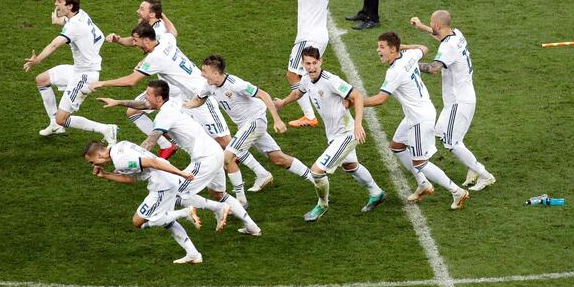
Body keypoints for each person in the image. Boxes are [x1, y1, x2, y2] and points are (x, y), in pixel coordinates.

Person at [89, 24, 272, 194]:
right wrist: (121, 40)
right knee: (134, 111)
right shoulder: (166, 40)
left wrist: (102, 83)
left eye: (136, 41)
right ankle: (168, 144)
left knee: (224, 142)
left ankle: (260, 172)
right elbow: (172, 31)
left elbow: (131, 81)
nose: (134, 44)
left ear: (146, 40)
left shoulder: (155, 58)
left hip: (200, 96)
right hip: (179, 96)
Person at [98, 80, 262, 236]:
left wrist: (129, 158)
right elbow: (144, 105)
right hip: (215, 151)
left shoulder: (164, 116)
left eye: (148, 93)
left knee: (175, 193)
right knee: (219, 193)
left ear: (159, 98)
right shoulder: (171, 103)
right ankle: (252, 226)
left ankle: (218, 209)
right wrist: (117, 102)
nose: (144, 97)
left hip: (204, 158)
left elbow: (150, 141)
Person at [187, 54, 318, 209]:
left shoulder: (236, 84)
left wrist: (277, 119)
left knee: (227, 157)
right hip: (245, 125)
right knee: (278, 158)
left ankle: (241, 201)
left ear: (216, 73)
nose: (202, 74)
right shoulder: (209, 85)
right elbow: (199, 99)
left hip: (255, 121)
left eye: (204, 71)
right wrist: (184, 106)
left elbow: (263, 94)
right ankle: (316, 178)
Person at [274, 47, 386, 221]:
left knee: (317, 172)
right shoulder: (305, 79)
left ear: (320, 62)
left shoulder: (331, 80)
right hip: (333, 134)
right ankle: (376, 193)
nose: (311, 67)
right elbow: (298, 92)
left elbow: (356, 96)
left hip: (347, 133)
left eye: (314, 63)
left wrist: (358, 125)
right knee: (350, 166)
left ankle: (322, 205)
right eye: (307, 64)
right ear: (302, 64)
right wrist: (283, 102)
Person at [364, 31, 470, 210]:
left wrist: (355, 101)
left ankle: (457, 191)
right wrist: (402, 47)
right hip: (417, 113)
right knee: (397, 146)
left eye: (382, 47)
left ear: (392, 49)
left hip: (420, 118)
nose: (378, 51)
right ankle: (423, 183)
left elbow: (380, 99)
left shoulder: (394, 71)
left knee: (421, 162)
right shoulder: (409, 55)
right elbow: (424, 48)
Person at [410, 11, 495, 190]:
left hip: (459, 101)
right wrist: (423, 27)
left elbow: (434, 68)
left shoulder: (447, 47)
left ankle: (484, 175)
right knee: (441, 132)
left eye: (431, 23)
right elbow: (439, 36)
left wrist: (410, 66)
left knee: (451, 142)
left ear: (439, 26)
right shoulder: (456, 34)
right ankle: (472, 167)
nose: (431, 25)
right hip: (459, 99)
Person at [249, 0, 333, 128]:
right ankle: (323, 109)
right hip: (318, 36)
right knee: (307, 75)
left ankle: (310, 115)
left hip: (308, 37)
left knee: (293, 75)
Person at [83, 140, 203, 264]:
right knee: (167, 222)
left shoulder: (120, 161)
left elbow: (152, 162)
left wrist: (181, 173)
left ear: (99, 155)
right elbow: (130, 179)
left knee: (138, 221)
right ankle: (193, 254)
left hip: (162, 185)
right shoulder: (120, 145)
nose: (93, 165)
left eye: (92, 162)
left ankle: (185, 213)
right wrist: (106, 175)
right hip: (167, 180)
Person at [23, 0, 118, 143]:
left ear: (70, 6)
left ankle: (106, 129)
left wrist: (37, 60)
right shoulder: (81, 15)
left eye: (59, 1)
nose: (55, 4)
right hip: (78, 69)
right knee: (42, 80)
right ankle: (55, 125)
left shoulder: (74, 26)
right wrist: (59, 21)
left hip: (85, 76)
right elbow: (99, 36)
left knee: (62, 118)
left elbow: (54, 45)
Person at [104, 0, 178, 158]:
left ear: (152, 14)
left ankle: (170, 144)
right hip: (166, 81)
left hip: (172, 86)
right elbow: (132, 41)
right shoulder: (151, 27)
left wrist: (142, 63)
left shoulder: (157, 32)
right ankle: (168, 144)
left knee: (139, 112)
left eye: (142, 9)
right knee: (134, 111)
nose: (138, 11)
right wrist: (117, 40)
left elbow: (150, 59)